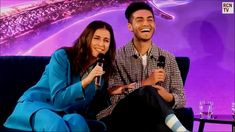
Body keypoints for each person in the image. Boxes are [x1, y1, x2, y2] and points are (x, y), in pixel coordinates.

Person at [4, 20, 116, 132]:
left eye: (106, 40)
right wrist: (86, 81)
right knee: (55, 123)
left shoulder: (100, 74)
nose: (101, 44)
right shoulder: (62, 57)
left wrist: (108, 93)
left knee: (78, 122)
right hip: (38, 105)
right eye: (96, 38)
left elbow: (87, 108)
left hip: (65, 113)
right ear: (87, 38)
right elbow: (58, 100)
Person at [97, 2, 189, 132]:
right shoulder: (116, 58)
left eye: (150, 20)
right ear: (130, 26)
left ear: (154, 25)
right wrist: (145, 83)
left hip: (156, 117)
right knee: (147, 90)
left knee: (157, 127)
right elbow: (114, 96)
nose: (146, 24)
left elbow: (181, 97)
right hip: (124, 116)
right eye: (140, 20)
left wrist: (168, 97)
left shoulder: (168, 58)